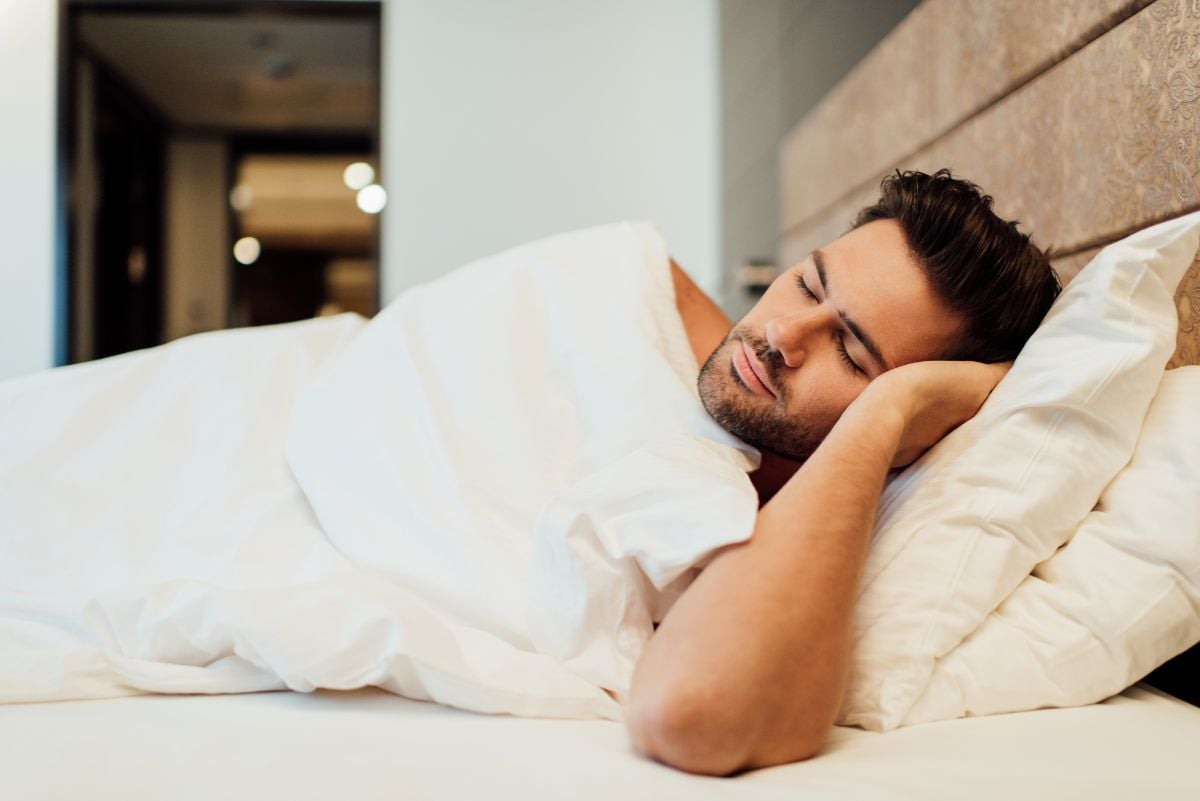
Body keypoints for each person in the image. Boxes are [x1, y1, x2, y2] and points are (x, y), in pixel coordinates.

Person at [624, 168, 1061, 775]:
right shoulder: (640, 287)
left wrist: (890, 409)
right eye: (807, 285)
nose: (781, 332)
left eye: (851, 352)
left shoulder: (841, 467)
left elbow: (694, 711)